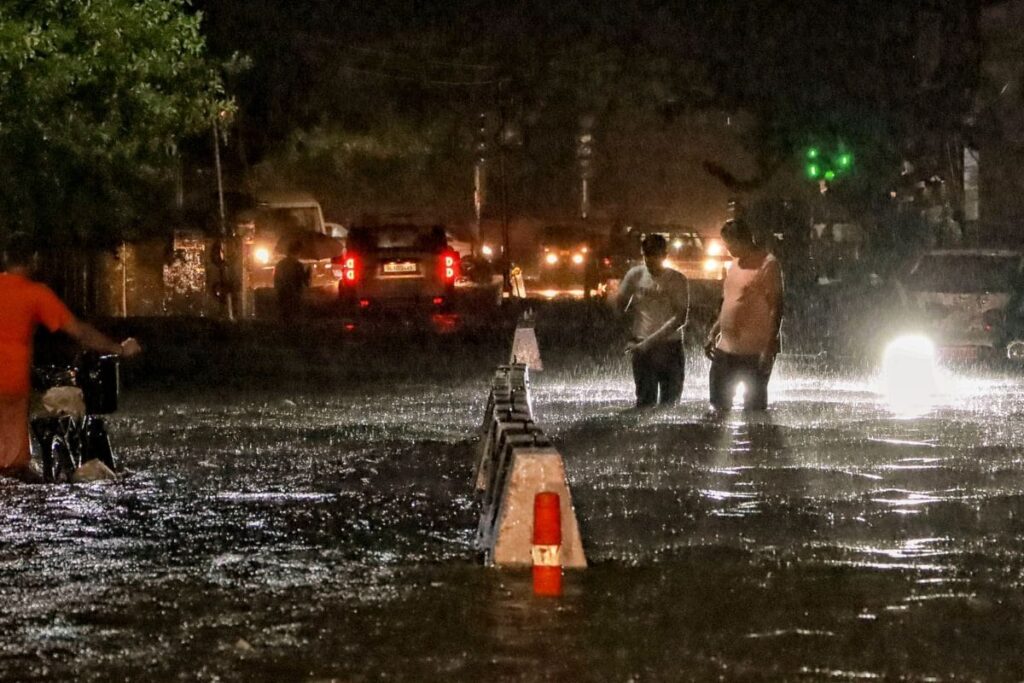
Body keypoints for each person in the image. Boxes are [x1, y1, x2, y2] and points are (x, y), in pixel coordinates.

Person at [0, 233, 141, 482]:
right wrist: (119, 349)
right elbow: (79, 331)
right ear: (33, 260)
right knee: (13, 467)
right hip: (11, 383)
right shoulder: (36, 294)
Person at [704, 219, 784, 411]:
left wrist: (768, 347)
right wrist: (714, 332)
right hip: (726, 349)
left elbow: (777, 307)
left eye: (729, 243)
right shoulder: (734, 264)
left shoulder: (768, 264)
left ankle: (754, 441)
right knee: (718, 405)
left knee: (753, 409)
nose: (727, 248)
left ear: (743, 240)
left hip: (754, 352)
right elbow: (730, 302)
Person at [616, 233, 689, 408]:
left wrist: (649, 342)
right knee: (644, 402)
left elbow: (680, 318)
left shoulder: (677, 279)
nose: (649, 261)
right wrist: (628, 336)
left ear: (664, 255)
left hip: (670, 347)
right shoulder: (635, 275)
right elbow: (619, 306)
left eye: (654, 256)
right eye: (646, 255)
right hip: (641, 347)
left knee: (670, 405)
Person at [273, 238, 308, 323]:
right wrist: (308, 273)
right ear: (298, 252)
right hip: (295, 296)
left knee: (284, 317)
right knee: (294, 318)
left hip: (282, 295)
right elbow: (305, 282)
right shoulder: (298, 265)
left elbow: (276, 280)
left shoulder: (280, 264)